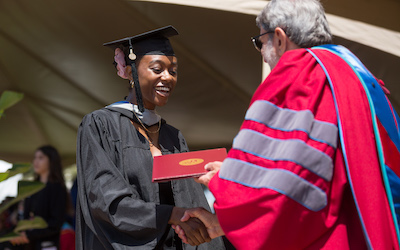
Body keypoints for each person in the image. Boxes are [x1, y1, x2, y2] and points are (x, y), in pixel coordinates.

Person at [173, 0, 400, 249]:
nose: (261, 51)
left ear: (279, 38)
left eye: (260, 42)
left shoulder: (300, 73)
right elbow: (314, 171)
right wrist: (222, 224)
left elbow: (288, 186)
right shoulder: (354, 72)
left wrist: (228, 180)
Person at [75, 25, 226, 249]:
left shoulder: (173, 136)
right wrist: (172, 215)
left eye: (173, 71)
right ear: (128, 71)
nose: (168, 77)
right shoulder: (100, 125)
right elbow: (105, 199)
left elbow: (191, 199)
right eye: (157, 69)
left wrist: (201, 227)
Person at [11, 145, 68, 249]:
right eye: (35, 158)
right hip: (27, 244)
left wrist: (30, 235)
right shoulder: (31, 187)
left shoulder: (57, 188)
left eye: (41, 158)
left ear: (51, 161)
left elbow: (55, 223)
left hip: (47, 245)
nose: (36, 161)